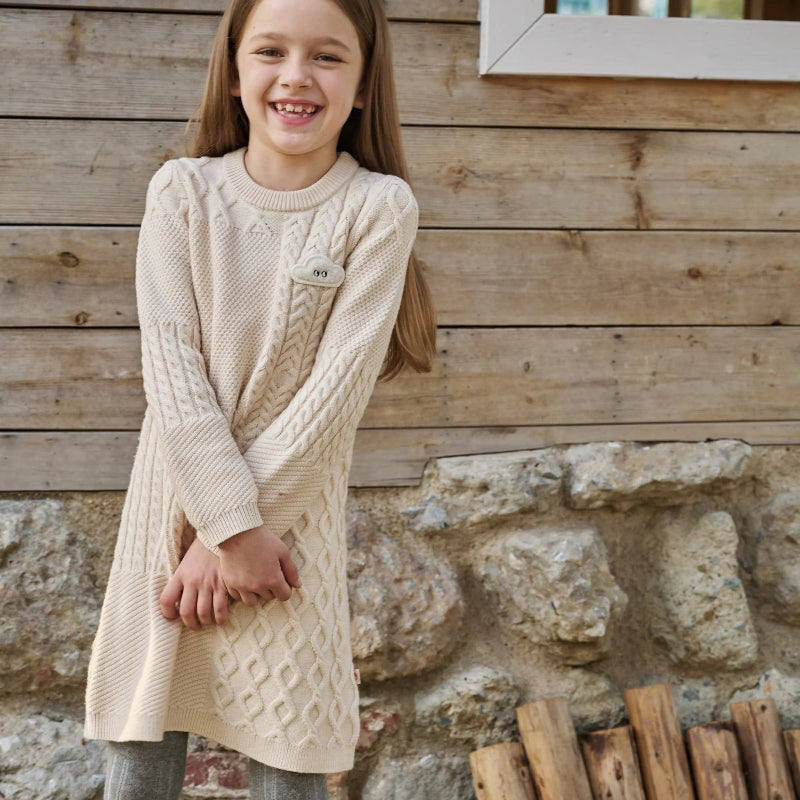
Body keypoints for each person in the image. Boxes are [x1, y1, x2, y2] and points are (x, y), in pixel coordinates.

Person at [83, 0, 436, 795]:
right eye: (271, 50)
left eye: (329, 57)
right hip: (170, 526)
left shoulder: (377, 209)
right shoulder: (181, 194)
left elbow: (330, 399)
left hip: (285, 540)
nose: (297, 76)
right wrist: (219, 526)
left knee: (292, 762)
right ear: (236, 71)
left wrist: (237, 538)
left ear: (366, 84)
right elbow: (172, 374)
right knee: (141, 756)